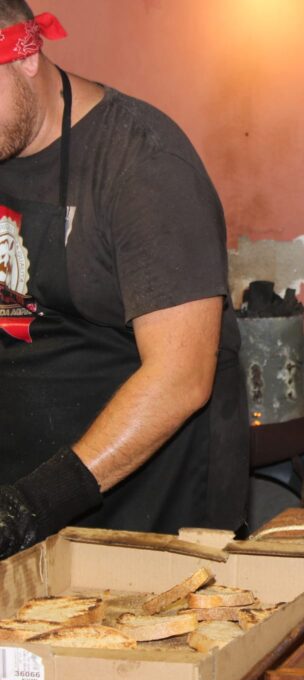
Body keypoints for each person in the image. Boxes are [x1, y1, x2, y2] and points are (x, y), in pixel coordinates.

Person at [0, 1, 248, 558]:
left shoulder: (142, 163)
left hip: (148, 508)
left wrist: (32, 506)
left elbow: (181, 377)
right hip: (23, 492)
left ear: (26, 55)